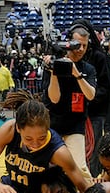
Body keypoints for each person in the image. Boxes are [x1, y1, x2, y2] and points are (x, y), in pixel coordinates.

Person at [41, 25, 97, 180]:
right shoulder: (53, 64)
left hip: (75, 124)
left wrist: (76, 73)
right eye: (78, 45)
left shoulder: (88, 68)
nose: (81, 49)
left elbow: (91, 95)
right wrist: (53, 71)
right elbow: (54, 98)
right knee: (49, 167)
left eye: (85, 46)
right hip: (52, 123)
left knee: (80, 167)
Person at [71, 19, 110, 179]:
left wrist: (88, 98)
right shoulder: (71, 58)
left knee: (92, 152)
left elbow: (105, 88)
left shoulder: (99, 57)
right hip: (75, 113)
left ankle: (94, 185)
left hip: (94, 113)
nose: (80, 48)